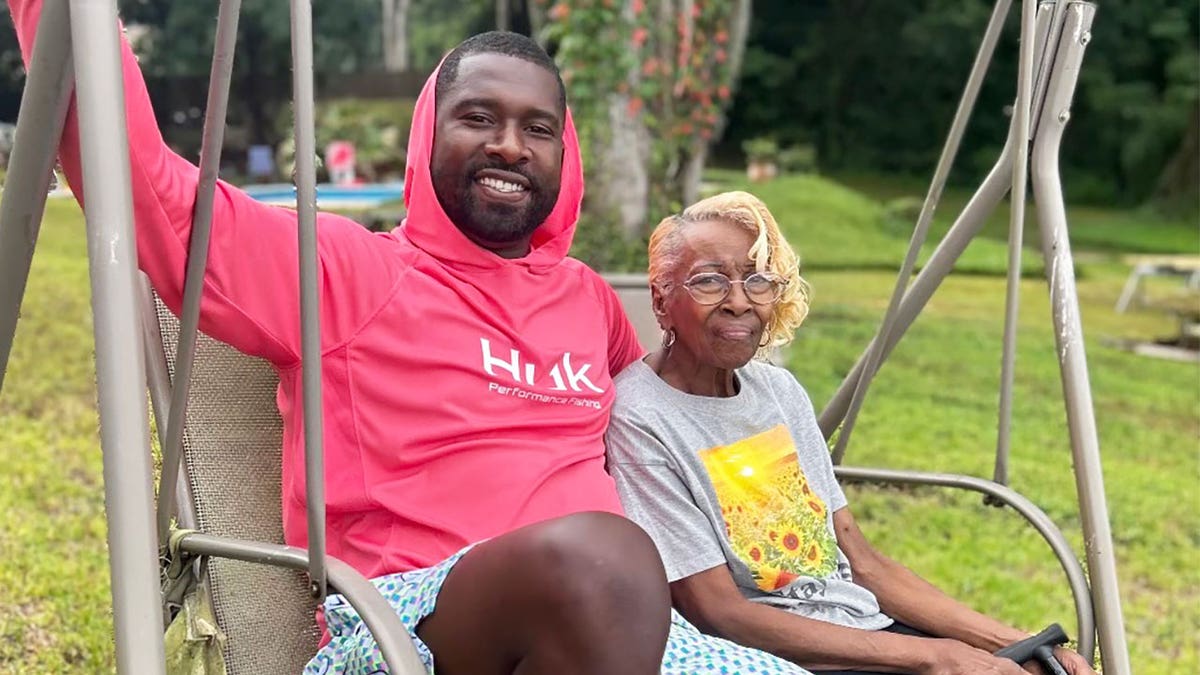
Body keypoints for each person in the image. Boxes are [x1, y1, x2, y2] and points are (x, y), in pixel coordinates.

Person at [7, 2, 823, 673]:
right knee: (597, 559)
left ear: (563, 155)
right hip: (409, 629)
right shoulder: (338, 267)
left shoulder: (587, 303)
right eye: (479, 117)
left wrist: (823, 579)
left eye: (538, 128)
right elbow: (153, 195)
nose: (510, 143)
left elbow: (680, 420)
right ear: (431, 134)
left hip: (637, 633)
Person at [605, 191, 1098, 675]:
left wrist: (1020, 643)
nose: (740, 302)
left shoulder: (777, 390)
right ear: (662, 301)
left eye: (757, 281)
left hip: (870, 633)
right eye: (709, 282)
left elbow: (862, 563)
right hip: (788, 655)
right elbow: (718, 612)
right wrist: (934, 656)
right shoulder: (641, 416)